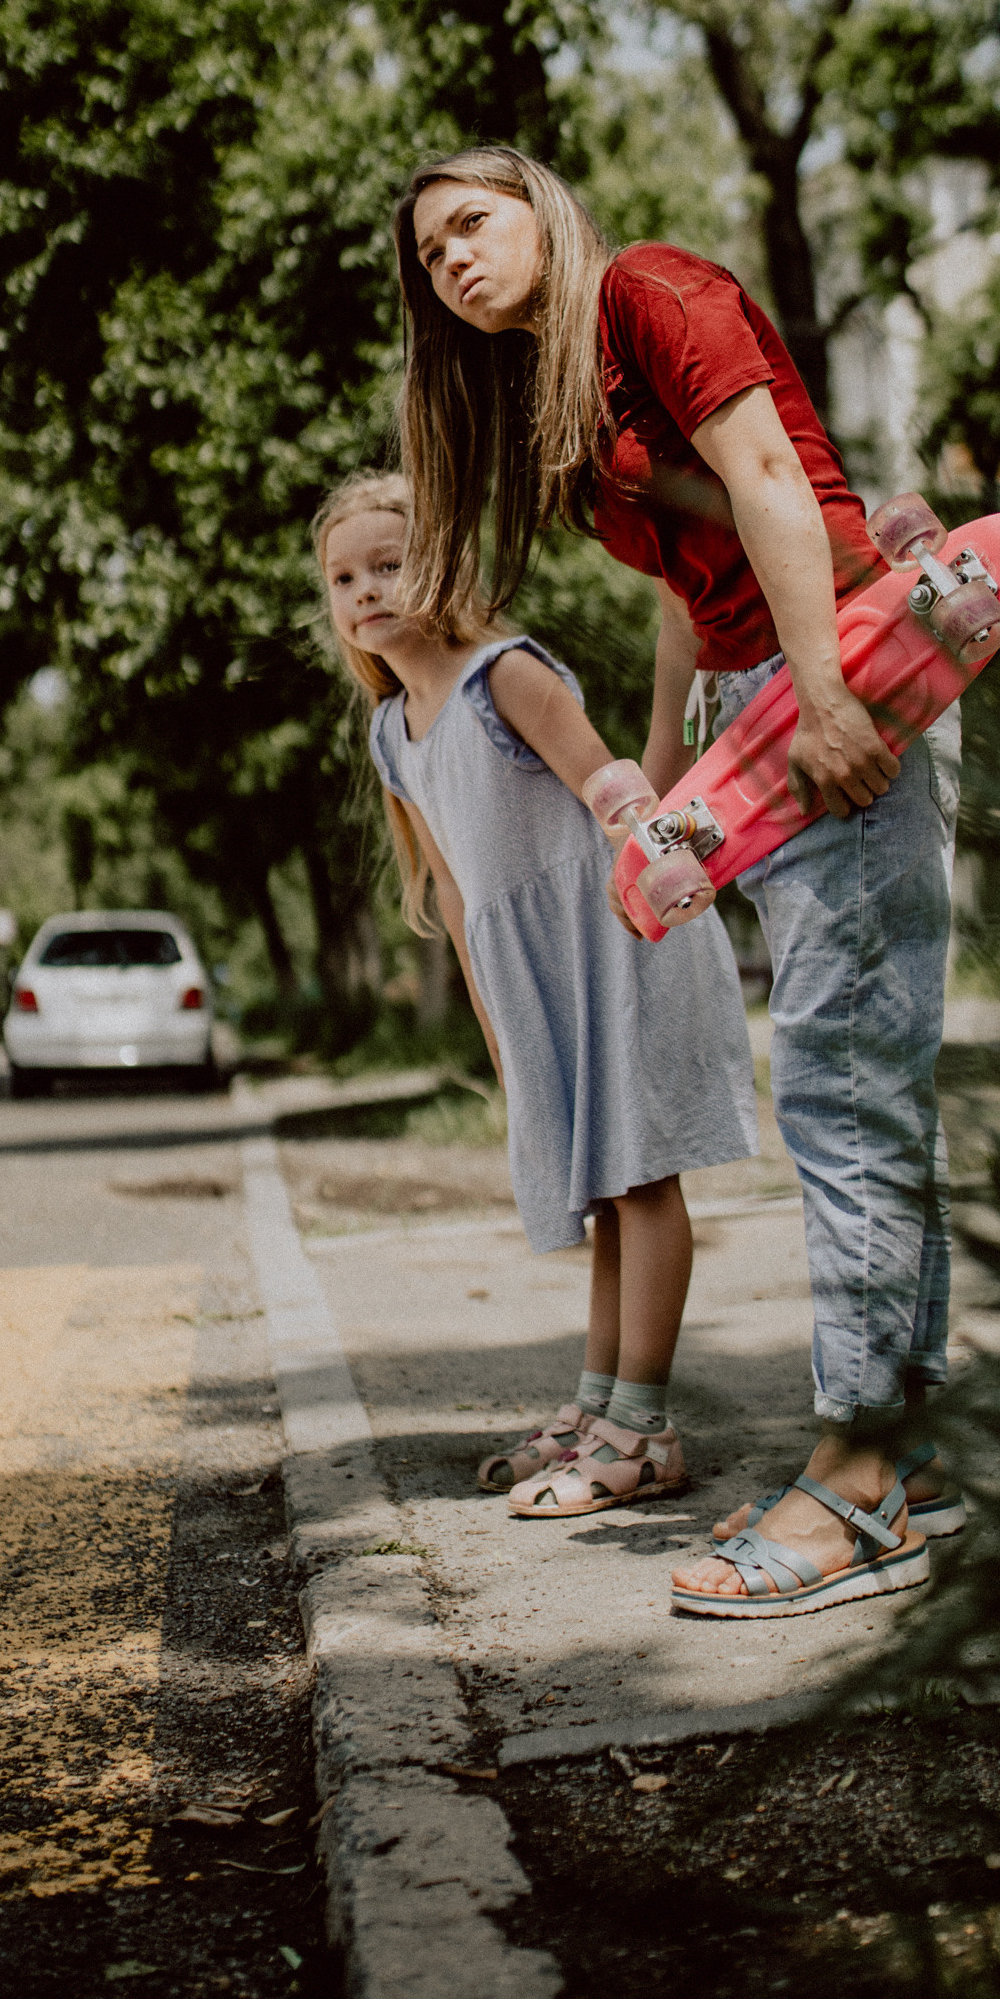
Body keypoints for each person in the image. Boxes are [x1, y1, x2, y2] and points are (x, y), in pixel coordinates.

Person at [392, 152, 964, 1618]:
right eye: (431, 254)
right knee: (866, 1072)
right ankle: (915, 1450)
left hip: (831, 667)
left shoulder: (649, 289)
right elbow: (681, 581)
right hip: (754, 695)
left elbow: (769, 475)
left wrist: (829, 690)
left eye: (475, 222)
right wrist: (664, 786)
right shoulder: (563, 398)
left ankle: (857, 1484)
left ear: (540, 207)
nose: (455, 259)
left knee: (841, 1078)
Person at [313, 470, 758, 1519]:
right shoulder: (393, 731)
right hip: (536, 975)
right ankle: (598, 1407)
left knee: (642, 1179)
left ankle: (642, 1431)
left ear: (444, 563)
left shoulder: (500, 675)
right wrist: (497, 1029)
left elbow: (618, 798)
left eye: (389, 563)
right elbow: (461, 898)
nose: (366, 591)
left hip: (612, 941)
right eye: (344, 577)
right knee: (604, 1189)